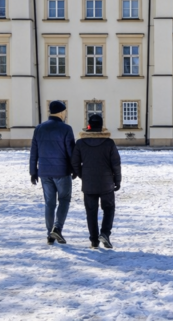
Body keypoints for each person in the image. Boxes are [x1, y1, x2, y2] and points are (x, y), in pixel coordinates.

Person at [30, 101, 76, 245]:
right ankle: (57, 228)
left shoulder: (39, 128)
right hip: (62, 171)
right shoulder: (66, 129)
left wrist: (33, 171)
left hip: (44, 172)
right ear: (62, 112)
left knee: (49, 203)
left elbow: (34, 152)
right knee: (64, 200)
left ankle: (49, 233)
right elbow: (71, 153)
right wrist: (75, 169)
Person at [73, 114, 122, 249]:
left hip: (89, 182)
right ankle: (105, 233)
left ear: (89, 126)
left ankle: (94, 240)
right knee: (109, 208)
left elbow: (75, 162)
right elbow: (116, 164)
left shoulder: (80, 143)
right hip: (107, 182)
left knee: (91, 211)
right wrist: (117, 180)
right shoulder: (109, 143)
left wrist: (83, 175)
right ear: (101, 126)